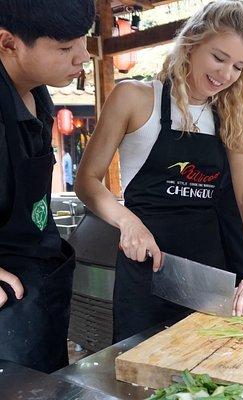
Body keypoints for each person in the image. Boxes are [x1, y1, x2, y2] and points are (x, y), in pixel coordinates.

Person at [76, 0, 243, 342]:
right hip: (146, 268)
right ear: (192, 44)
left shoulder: (229, 115)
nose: (226, 75)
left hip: (209, 274)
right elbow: (87, 181)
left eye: (239, 67)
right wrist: (127, 222)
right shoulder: (134, 98)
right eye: (219, 57)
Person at [0, 0, 94, 373]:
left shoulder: (39, 93)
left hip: (39, 282)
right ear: (8, 42)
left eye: (82, 41)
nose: (83, 57)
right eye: (65, 47)